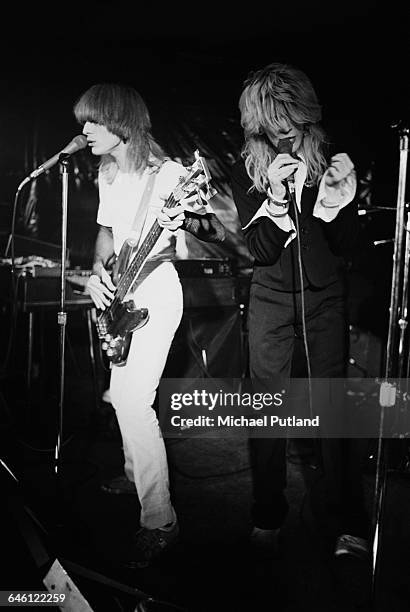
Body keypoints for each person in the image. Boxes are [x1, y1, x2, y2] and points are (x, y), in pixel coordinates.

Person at [73, 83, 225, 567]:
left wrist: (192, 220)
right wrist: (99, 274)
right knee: (121, 394)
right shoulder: (109, 170)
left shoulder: (170, 174)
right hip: (122, 290)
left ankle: (160, 520)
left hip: (158, 291)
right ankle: (136, 471)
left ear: (118, 121)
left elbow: (215, 227)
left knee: (133, 400)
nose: (84, 130)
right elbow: (107, 231)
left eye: (92, 121)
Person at [230, 63, 369, 558]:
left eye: (291, 117)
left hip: (324, 296)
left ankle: (350, 520)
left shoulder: (330, 157)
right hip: (269, 297)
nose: (284, 129)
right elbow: (260, 251)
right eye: (273, 120)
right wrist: (272, 197)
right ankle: (268, 513)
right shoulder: (244, 164)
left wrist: (332, 207)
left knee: (333, 406)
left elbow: (350, 245)